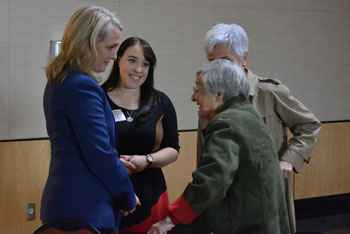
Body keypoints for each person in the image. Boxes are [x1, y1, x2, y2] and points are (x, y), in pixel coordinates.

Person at [199, 23, 322, 233]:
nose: (220, 69)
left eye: (226, 61)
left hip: (265, 198)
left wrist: (289, 161)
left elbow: (309, 125)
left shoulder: (268, 92)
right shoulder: (209, 97)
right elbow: (204, 155)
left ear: (244, 58)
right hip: (227, 201)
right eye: (213, 62)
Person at [149, 59, 291, 234]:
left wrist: (172, 219)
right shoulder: (248, 116)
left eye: (198, 90)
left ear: (218, 94)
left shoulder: (227, 124)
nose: (193, 97)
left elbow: (212, 180)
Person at [40, 6, 137, 233]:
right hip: (84, 208)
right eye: (111, 47)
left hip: (68, 202)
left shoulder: (60, 80)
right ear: (88, 44)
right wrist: (127, 194)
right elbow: (99, 152)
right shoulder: (81, 86)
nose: (115, 55)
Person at [101, 37, 180, 234]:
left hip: (151, 196)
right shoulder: (97, 98)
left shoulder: (160, 101)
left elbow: (173, 149)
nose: (138, 70)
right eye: (132, 60)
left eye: (145, 64)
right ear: (118, 59)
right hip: (107, 193)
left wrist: (147, 160)